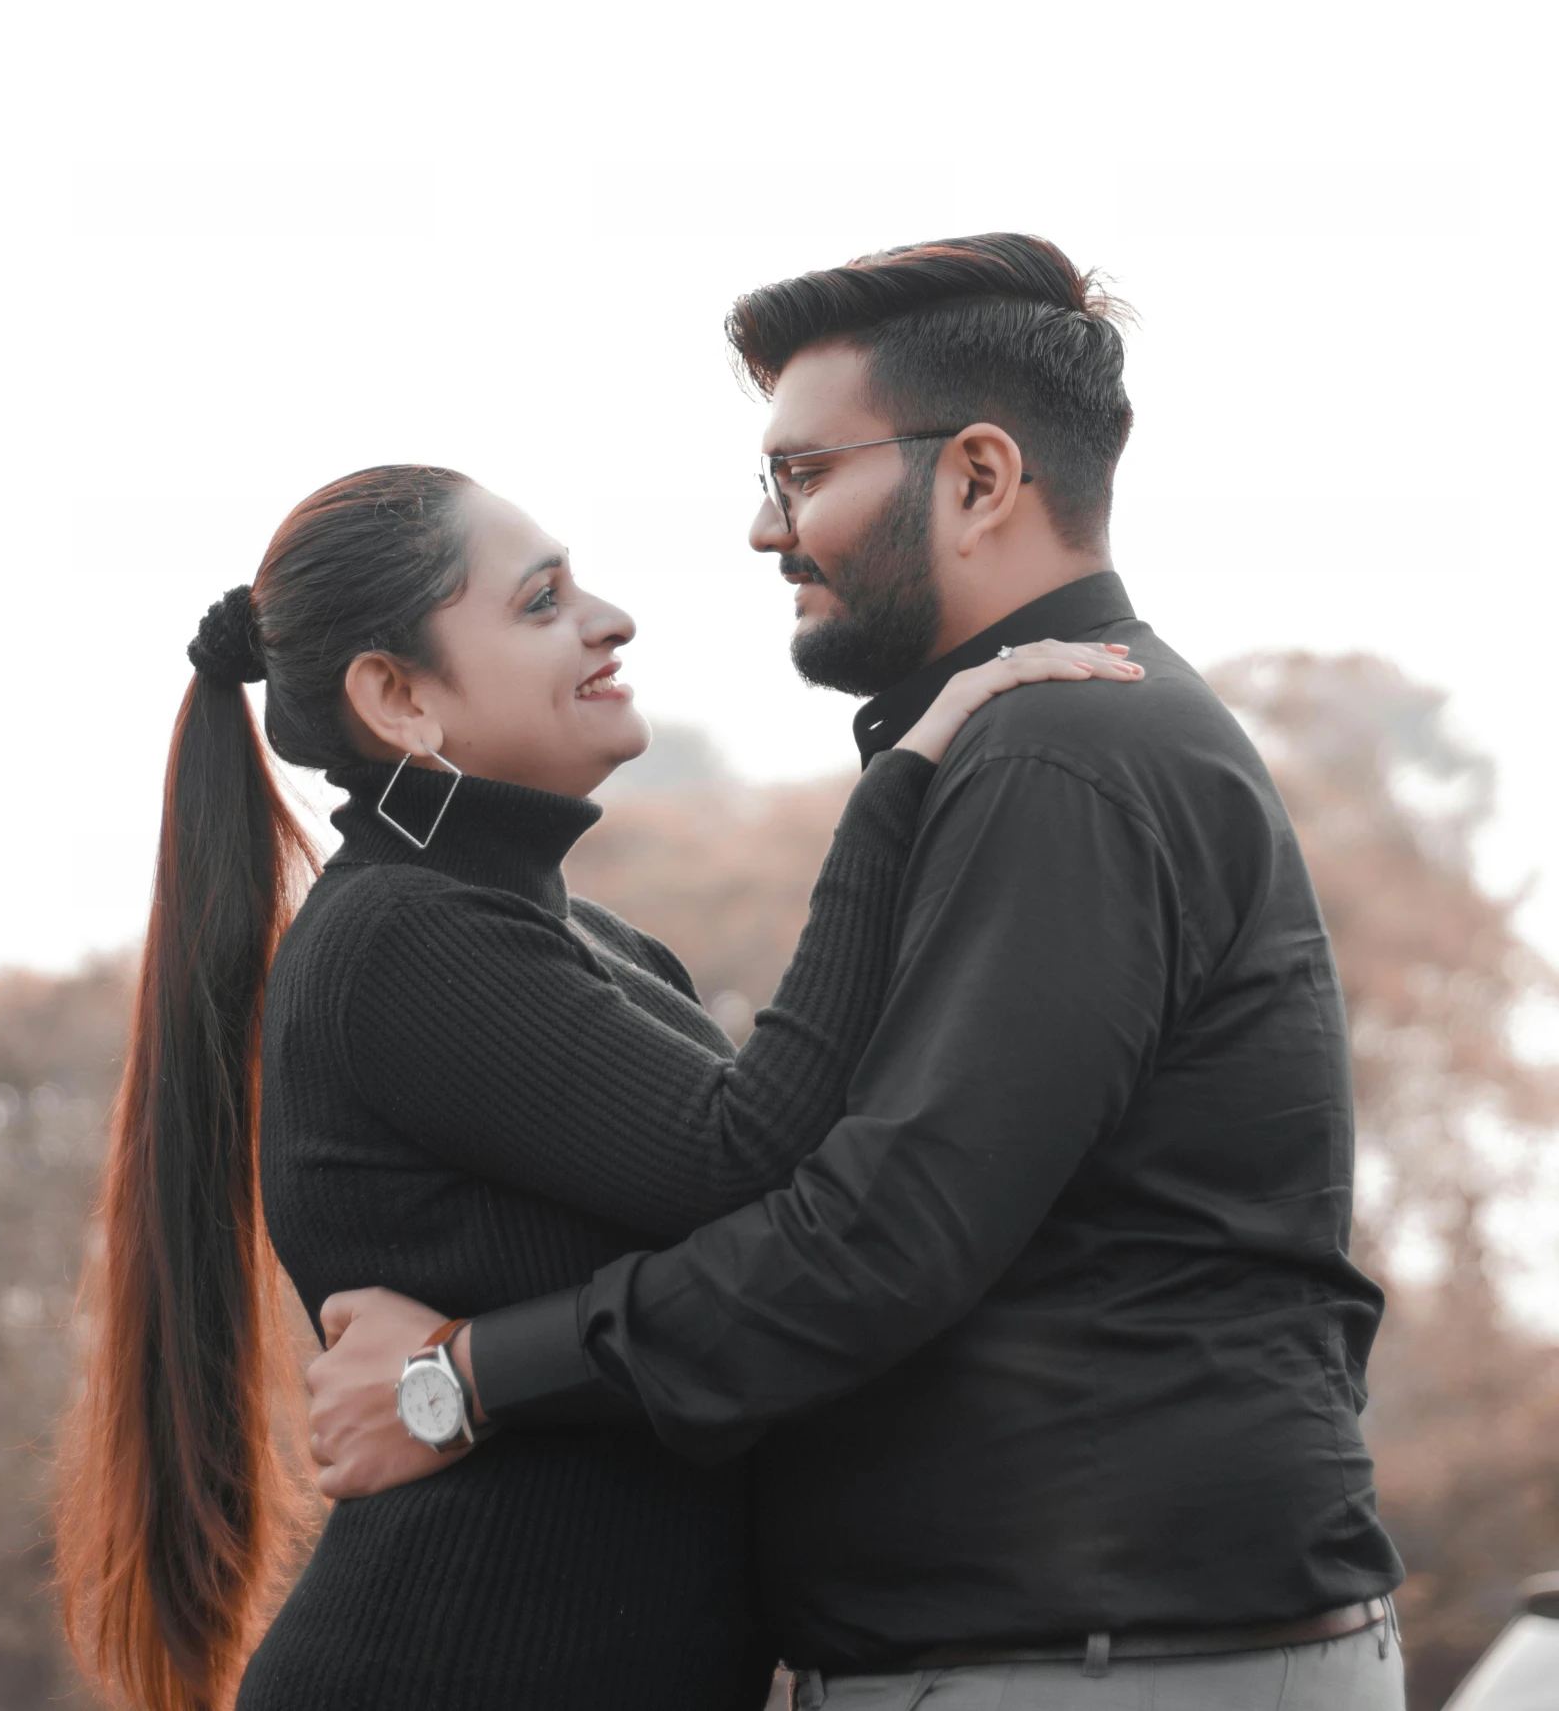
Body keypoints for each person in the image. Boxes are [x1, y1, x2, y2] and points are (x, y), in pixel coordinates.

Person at [312, 232, 1407, 1710]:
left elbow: (880, 1232)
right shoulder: (1014, 751)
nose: (769, 531)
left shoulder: (1059, 755)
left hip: (1092, 1659)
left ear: (974, 477)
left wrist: (466, 1376)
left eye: (800, 474)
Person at [54, 457, 1138, 1711]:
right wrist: (901, 786)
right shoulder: (398, 942)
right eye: (539, 602)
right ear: (398, 697)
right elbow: (752, 1153)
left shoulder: (588, 943)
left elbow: (818, 1204)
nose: (608, 618)